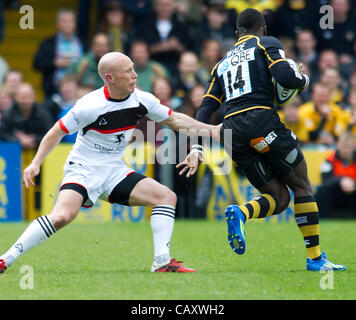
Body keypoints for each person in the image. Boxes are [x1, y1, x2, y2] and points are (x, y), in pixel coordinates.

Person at [0, 52, 221, 274]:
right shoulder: (89, 105)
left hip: (114, 170)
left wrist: (213, 130)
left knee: (166, 197)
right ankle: (5, 259)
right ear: (110, 78)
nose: (135, 75)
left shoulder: (142, 100)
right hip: (83, 168)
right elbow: (56, 131)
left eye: (134, 69)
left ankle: (162, 262)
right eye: (128, 71)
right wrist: (36, 163)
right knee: (61, 217)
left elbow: (176, 120)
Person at [177, 8, 346, 271]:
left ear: (236, 34)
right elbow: (287, 78)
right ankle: (315, 259)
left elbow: (205, 108)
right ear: (263, 28)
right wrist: (304, 78)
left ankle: (241, 213)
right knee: (301, 185)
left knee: (278, 198)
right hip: (260, 120)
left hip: (231, 132)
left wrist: (197, 146)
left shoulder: (221, 63)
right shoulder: (266, 43)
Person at [33, 8, 85, 99]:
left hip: (79, 91)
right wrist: (54, 63)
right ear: (57, 24)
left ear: (75, 23)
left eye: (70, 21)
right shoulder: (48, 43)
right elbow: (36, 64)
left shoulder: (83, 43)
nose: (67, 24)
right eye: (64, 21)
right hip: (53, 91)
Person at [315, 132, 356, 218]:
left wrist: (352, 183)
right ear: (338, 145)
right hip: (336, 194)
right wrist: (341, 180)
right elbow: (325, 179)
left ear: (353, 147)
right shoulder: (330, 160)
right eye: (344, 147)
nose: (346, 150)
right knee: (322, 191)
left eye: (349, 147)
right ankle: (323, 219)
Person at [0, 83, 53, 149]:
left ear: (34, 97)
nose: (25, 101)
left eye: (28, 97)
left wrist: (34, 139)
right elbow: (3, 133)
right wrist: (18, 140)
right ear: (16, 97)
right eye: (22, 97)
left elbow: (50, 133)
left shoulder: (43, 113)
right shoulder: (8, 114)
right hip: (13, 153)